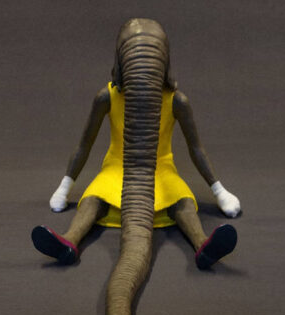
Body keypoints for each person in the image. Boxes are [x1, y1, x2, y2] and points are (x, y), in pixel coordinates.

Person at [32, 34, 241, 270]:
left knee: (182, 199)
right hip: (116, 168)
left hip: (161, 170)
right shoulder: (108, 97)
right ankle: (69, 241)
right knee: (93, 197)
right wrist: (64, 188)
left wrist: (219, 191)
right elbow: (84, 145)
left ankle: (203, 244)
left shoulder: (175, 101)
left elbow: (196, 149)